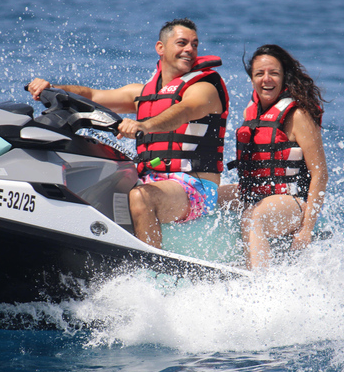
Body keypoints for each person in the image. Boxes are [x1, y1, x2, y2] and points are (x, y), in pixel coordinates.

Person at [26, 18, 229, 248]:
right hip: (152, 178)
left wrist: (144, 125)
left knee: (141, 197)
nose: (190, 50)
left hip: (196, 186)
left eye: (194, 44)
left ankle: (153, 273)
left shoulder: (205, 88)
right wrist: (53, 88)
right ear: (160, 48)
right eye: (182, 43)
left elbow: (183, 111)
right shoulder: (144, 92)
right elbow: (91, 95)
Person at [219, 44, 327, 269]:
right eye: (259, 74)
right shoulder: (252, 112)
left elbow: (320, 174)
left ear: (284, 77)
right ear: (252, 79)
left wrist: (306, 229)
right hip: (255, 194)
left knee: (253, 216)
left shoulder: (298, 116)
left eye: (273, 73)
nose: (266, 79)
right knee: (206, 198)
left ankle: (259, 282)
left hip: (293, 201)